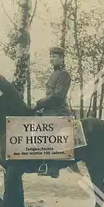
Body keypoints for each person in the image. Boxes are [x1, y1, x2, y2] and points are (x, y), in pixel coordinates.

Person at [33, 46, 72, 178]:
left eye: (54, 56)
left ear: (62, 59)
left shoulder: (64, 74)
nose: (51, 59)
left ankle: (53, 166)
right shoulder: (54, 73)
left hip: (58, 112)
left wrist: (40, 103)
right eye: (50, 56)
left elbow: (57, 96)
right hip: (49, 111)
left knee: (46, 131)